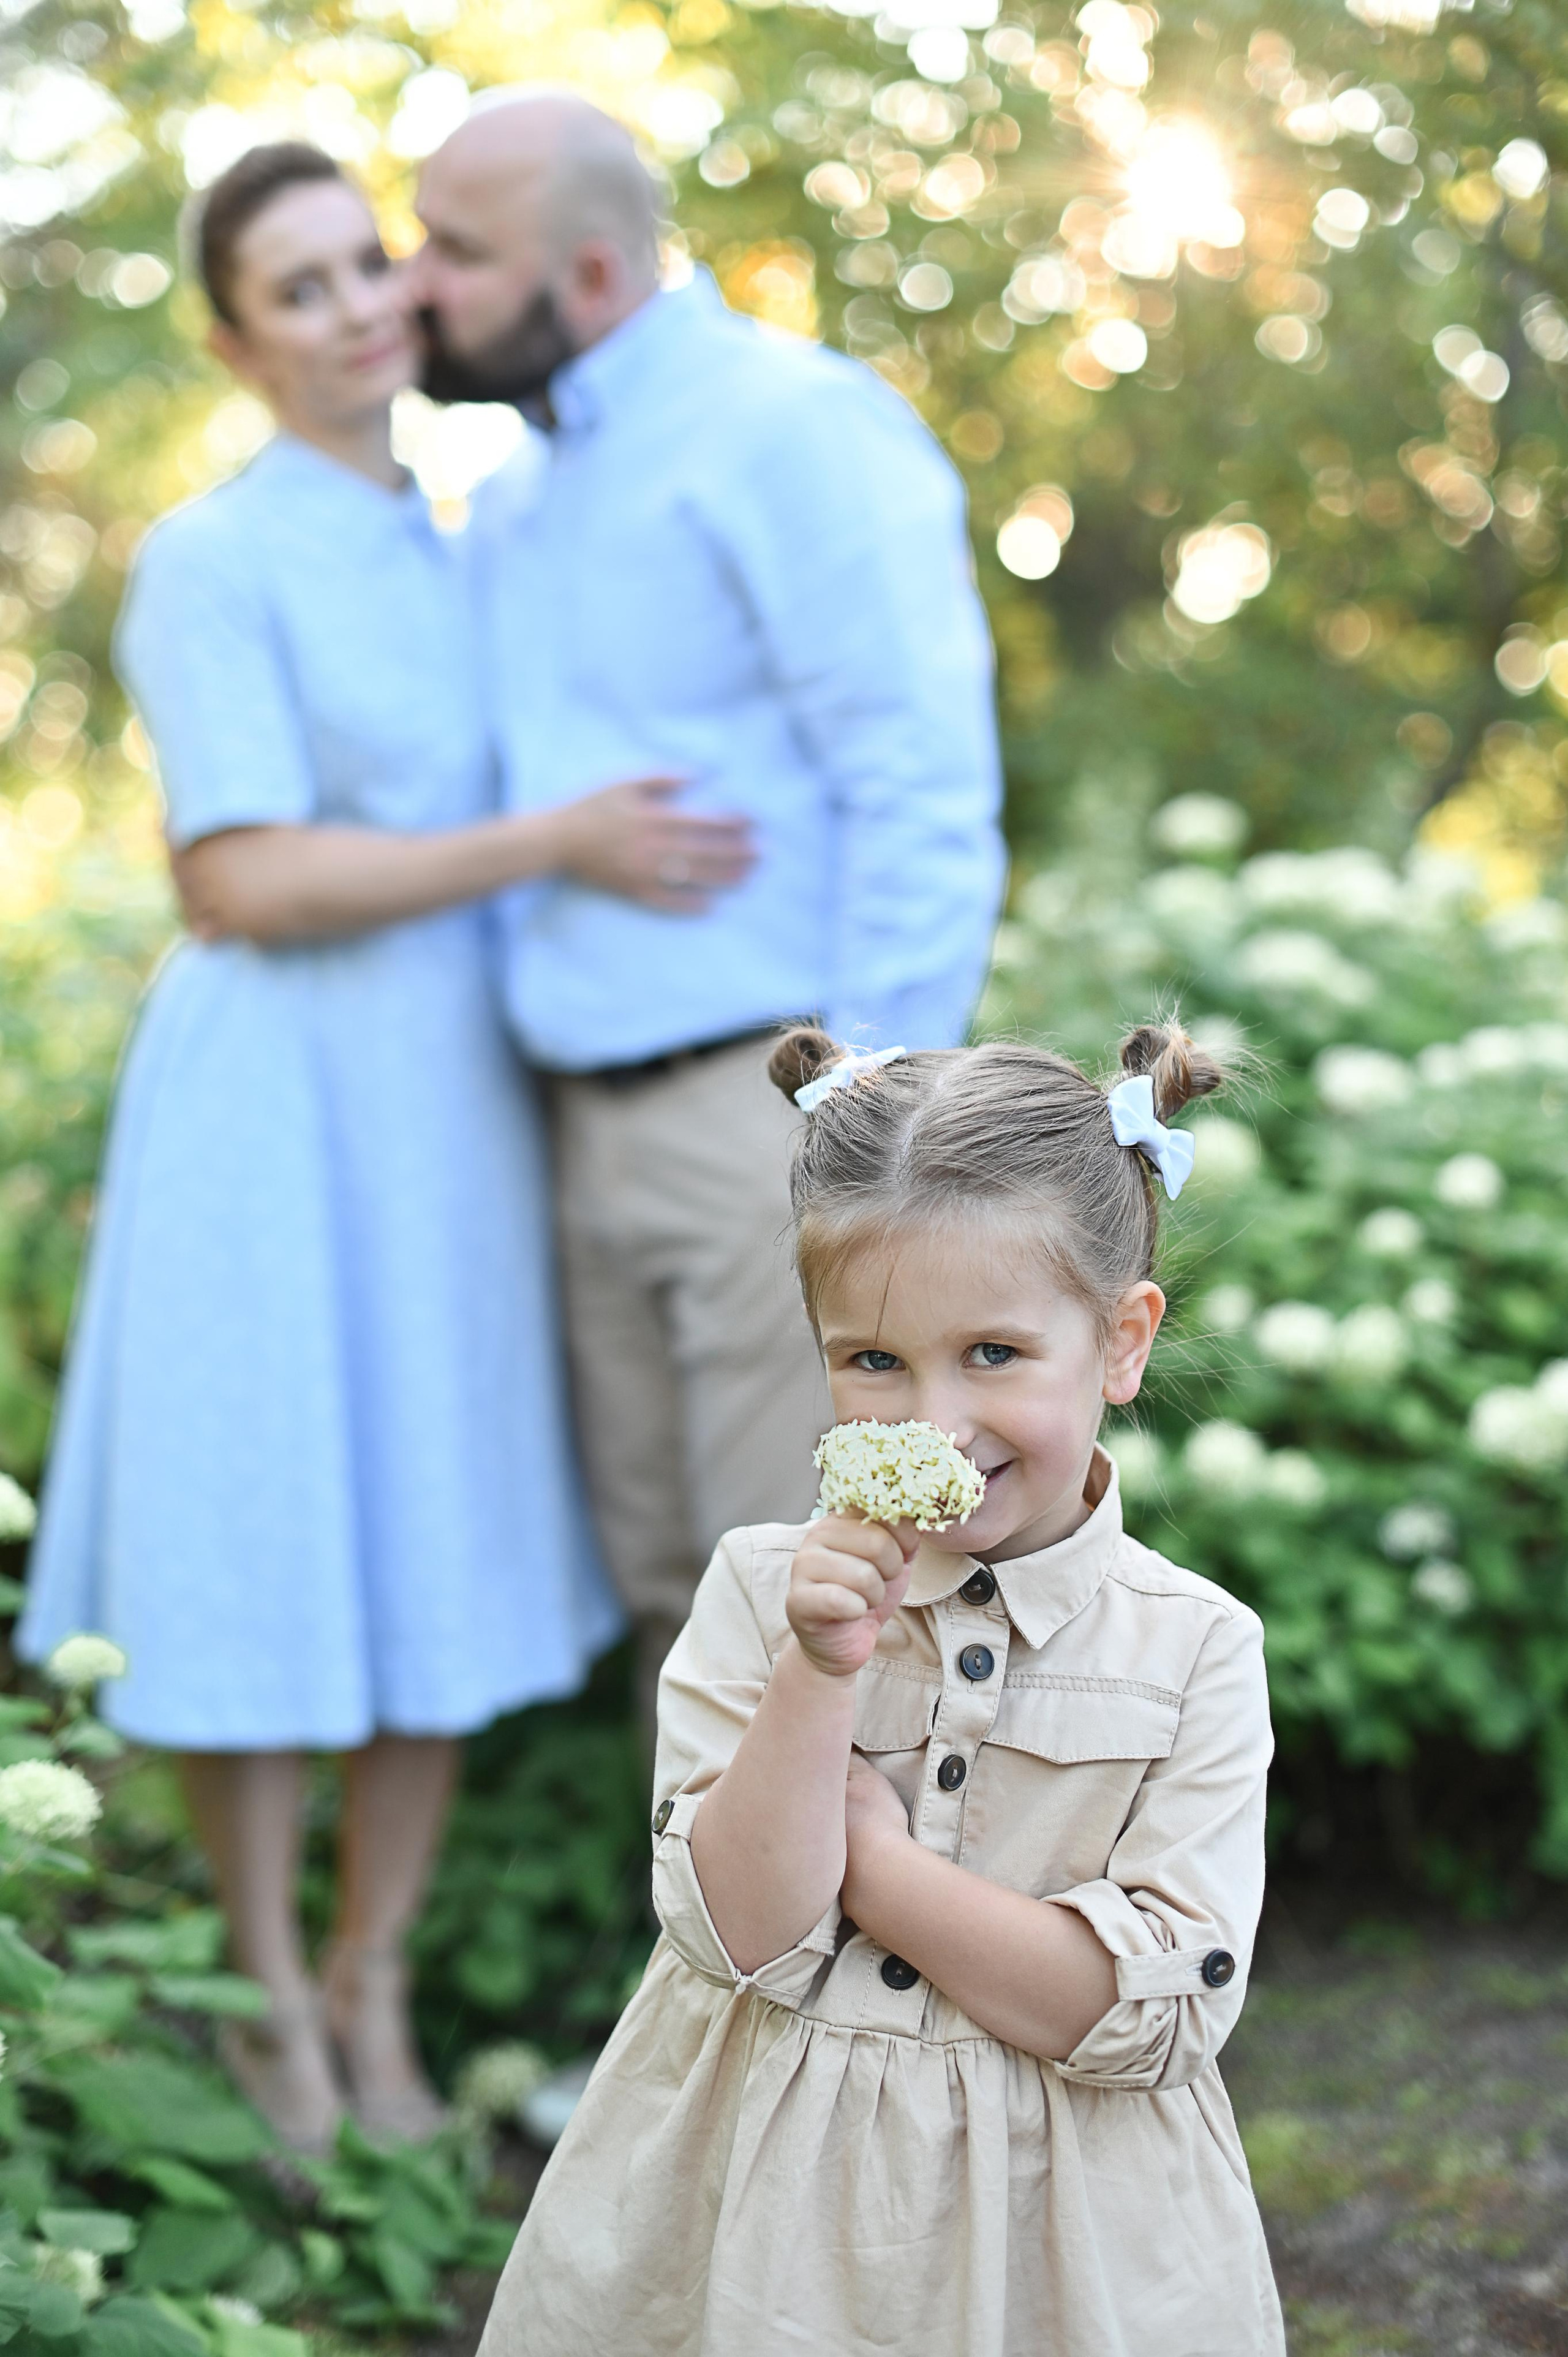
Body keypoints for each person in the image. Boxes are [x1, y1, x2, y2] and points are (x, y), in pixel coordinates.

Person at [17, 140, 750, 2155]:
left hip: (449, 1106)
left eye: (373, 264)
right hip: (276, 1106)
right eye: (303, 284)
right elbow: (240, 875)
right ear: (239, 342)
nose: (358, 305)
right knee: (266, 1531)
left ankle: (376, 1975)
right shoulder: (213, 555)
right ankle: (262, 1999)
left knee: (427, 1521)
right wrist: (558, 839)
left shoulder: (465, 533)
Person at [476, 1020, 1286, 2356]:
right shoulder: (759, 1591)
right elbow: (733, 1934)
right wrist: (817, 1669)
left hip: (1059, 2238)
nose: (927, 1419)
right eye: (872, 1361)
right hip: (758, 2211)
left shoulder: (1191, 1647)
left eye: (992, 1355)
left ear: (1121, 1341)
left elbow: (1138, 2016)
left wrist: (876, 1862)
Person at [410, 94, 1007, 1736]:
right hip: (574, 1123)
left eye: (454, 251)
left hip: (763, 1102)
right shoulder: (515, 491)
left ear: (589, 268)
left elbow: (920, 782)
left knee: (816, 1605)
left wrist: (865, 1121)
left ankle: (859, 1996)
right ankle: (717, 1988)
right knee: (680, 1602)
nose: (414, 287)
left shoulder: (789, 426)